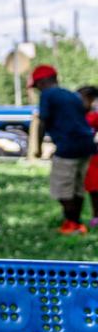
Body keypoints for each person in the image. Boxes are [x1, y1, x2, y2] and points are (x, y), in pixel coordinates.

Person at [31, 64, 96, 235]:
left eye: (37, 85)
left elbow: (43, 121)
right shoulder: (71, 95)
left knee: (62, 188)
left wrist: (37, 148)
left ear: (43, 82)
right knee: (78, 186)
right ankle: (76, 222)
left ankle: (72, 223)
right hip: (87, 145)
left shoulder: (47, 94)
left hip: (68, 147)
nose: (37, 89)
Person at [79, 85, 98, 229]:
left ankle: (96, 217)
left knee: (95, 188)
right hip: (79, 156)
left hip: (93, 157)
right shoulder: (75, 115)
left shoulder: (94, 116)